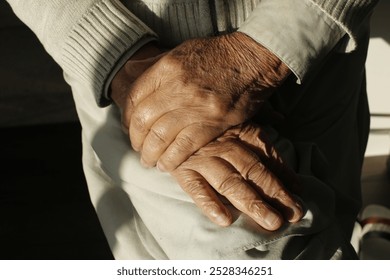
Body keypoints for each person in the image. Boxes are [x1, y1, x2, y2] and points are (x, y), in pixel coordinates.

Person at [6, 0, 378, 259]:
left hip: (313, 55)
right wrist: (118, 58)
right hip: (127, 82)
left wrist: (268, 48)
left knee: (332, 221)